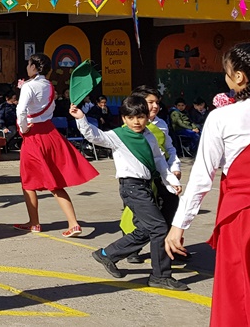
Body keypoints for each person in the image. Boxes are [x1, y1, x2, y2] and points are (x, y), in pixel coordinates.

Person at [166, 42, 250, 325]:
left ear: (240, 77)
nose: (226, 77)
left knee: (240, 297)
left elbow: (201, 177)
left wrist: (178, 226)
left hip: (245, 218)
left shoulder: (222, 117)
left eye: (227, 72)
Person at [73, 96, 188, 291]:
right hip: (131, 188)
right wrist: (80, 118)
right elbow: (94, 135)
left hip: (146, 186)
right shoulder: (118, 136)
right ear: (124, 118)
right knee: (159, 228)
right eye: (131, 117)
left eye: (141, 117)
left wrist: (171, 181)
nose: (136, 122)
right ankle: (160, 275)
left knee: (146, 229)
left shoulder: (149, 136)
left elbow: (159, 160)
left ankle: (107, 254)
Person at [13, 53, 98, 237]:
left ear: (34, 67)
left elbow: (21, 110)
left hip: (34, 135)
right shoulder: (49, 86)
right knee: (55, 182)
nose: (27, 67)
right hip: (50, 133)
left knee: (28, 182)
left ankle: (34, 222)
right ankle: (73, 222)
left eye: (29, 64)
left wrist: (24, 128)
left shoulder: (29, 86)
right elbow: (50, 109)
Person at [122, 85, 182, 264]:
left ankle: (170, 248)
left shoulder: (161, 124)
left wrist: (175, 166)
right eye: (150, 102)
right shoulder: (130, 127)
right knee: (138, 216)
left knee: (170, 209)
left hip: (163, 176)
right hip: (142, 179)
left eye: (157, 102)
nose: (155, 106)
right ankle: (130, 248)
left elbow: (169, 149)